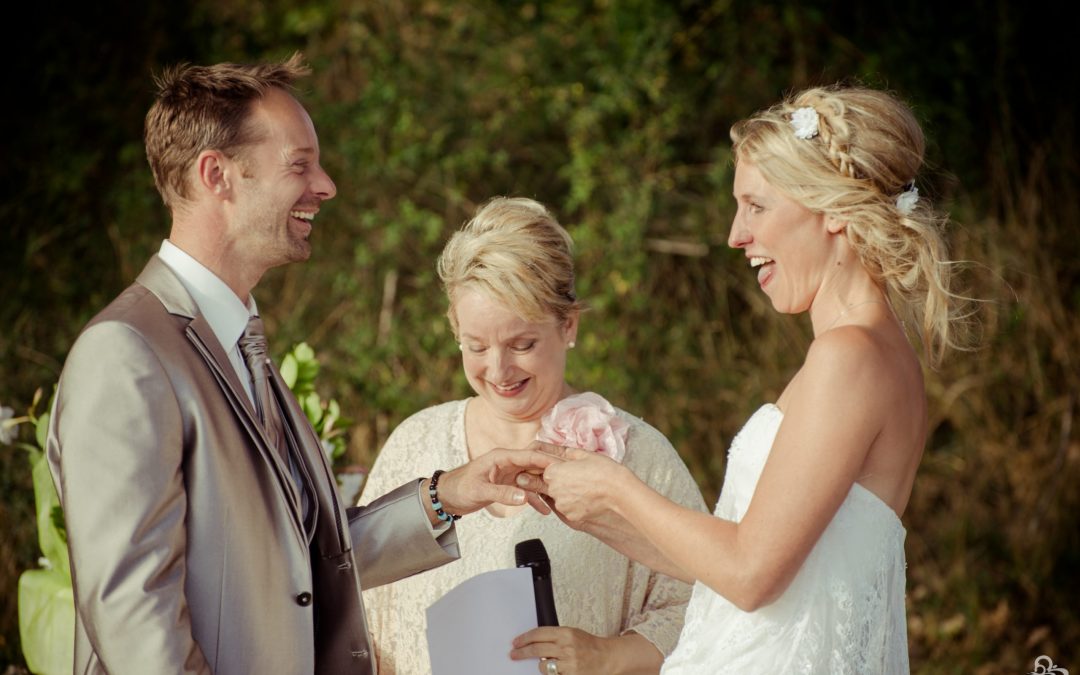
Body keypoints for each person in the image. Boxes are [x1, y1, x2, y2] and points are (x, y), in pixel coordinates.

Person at [44, 54, 552, 675]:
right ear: (218, 176)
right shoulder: (124, 355)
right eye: (300, 164)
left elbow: (304, 562)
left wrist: (449, 495)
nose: (327, 185)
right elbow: (135, 622)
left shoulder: (240, 348)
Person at [527, 85, 972, 673]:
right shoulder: (867, 354)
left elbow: (751, 574)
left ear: (834, 208)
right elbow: (743, 559)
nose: (736, 235)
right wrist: (591, 509)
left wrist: (616, 486)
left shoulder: (851, 358)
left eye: (756, 206)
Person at [359, 197, 708, 675]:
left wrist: (607, 656)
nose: (498, 370)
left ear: (569, 325)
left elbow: (705, 604)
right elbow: (359, 610)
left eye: (522, 344)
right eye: (475, 346)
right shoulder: (414, 443)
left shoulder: (638, 455)